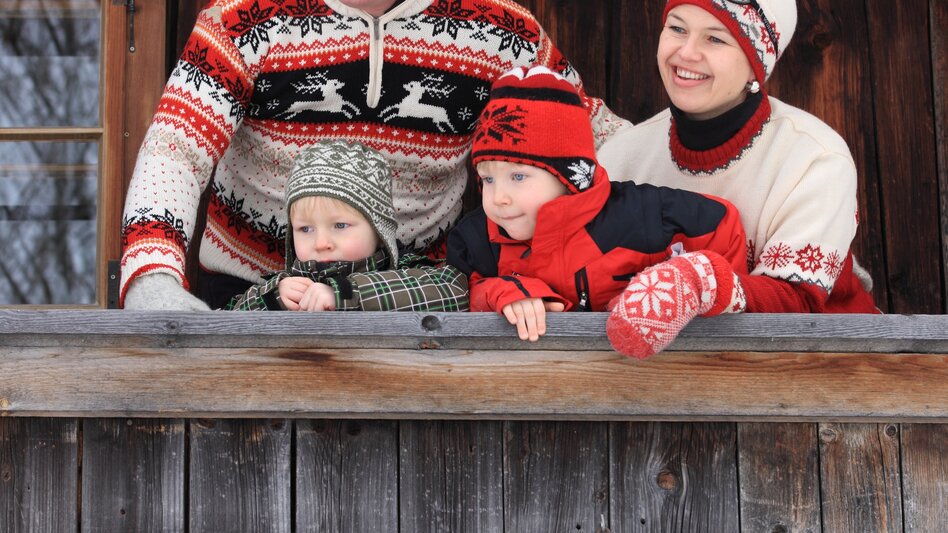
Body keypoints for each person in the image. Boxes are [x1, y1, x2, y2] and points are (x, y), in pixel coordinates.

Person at [119, 0, 628, 311]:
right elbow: (176, 148)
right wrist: (152, 278)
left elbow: (595, 139)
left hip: (418, 298)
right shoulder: (242, 17)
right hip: (249, 293)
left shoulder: (500, 28)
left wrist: (699, 178)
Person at [598, 0, 878, 354]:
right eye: (677, 28)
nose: (686, 52)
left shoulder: (814, 157)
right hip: (651, 375)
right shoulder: (621, 157)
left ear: (755, 67)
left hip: (824, 367)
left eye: (715, 39)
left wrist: (703, 284)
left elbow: (798, 302)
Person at [447, 66, 748, 353]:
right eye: (488, 179)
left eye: (519, 177)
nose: (499, 197)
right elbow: (463, 291)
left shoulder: (637, 217)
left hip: (648, 374)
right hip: (535, 381)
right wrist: (506, 292)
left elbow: (720, 225)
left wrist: (703, 296)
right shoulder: (477, 240)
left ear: (568, 178)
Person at [226, 140, 468, 311]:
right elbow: (226, 322)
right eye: (305, 229)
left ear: (377, 229)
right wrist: (270, 299)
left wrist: (345, 292)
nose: (321, 244)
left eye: (340, 225)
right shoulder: (286, 286)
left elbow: (454, 290)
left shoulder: (404, 273)